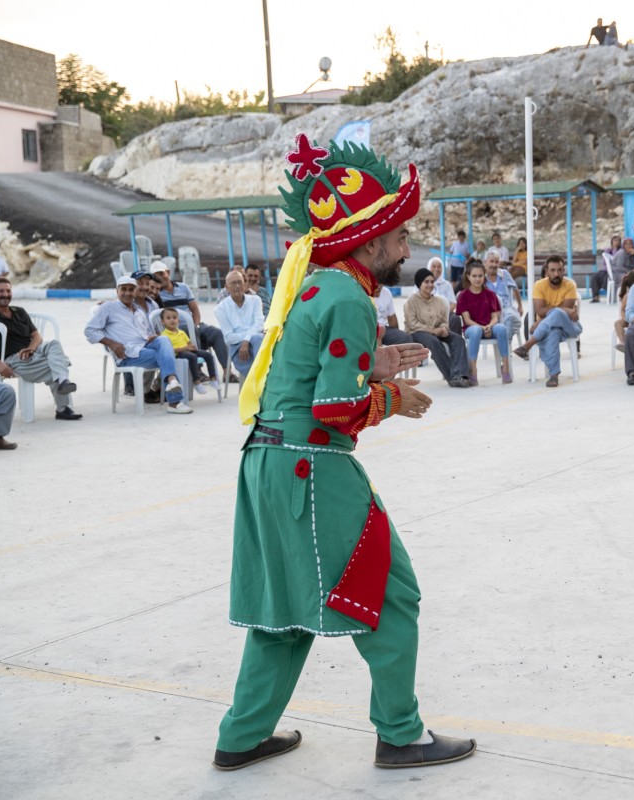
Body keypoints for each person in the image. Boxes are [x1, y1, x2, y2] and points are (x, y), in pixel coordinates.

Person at [214, 134, 475, 772]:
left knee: (283, 610)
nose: (407, 248)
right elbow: (336, 411)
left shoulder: (318, 287)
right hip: (313, 467)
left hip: (267, 462)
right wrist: (393, 398)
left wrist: (375, 363)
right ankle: (400, 735)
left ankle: (242, 736)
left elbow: (302, 379)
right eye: (399, 234)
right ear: (368, 238)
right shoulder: (347, 296)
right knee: (391, 592)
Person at [0, 276, 82, 420]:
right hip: (14, 359)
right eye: (1, 291)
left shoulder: (20, 311)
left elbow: (37, 337)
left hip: (34, 352)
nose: (6, 294)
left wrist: (30, 348)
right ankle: (63, 404)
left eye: (8, 291)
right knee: (56, 365)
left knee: (54, 343)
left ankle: (62, 380)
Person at [85, 276, 191, 414]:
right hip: (127, 354)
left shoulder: (139, 311)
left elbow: (146, 334)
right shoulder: (108, 308)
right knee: (166, 355)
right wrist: (111, 343)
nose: (127, 293)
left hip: (144, 347)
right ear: (117, 290)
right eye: (123, 289)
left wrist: (151, 338)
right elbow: (89, 331)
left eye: (131, 289)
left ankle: (171, 381)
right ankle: (174, 401)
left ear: (135, 291)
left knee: (164, 340)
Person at [152, 261, 230, 381]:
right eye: (156, 275)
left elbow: (194, 309)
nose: (160, 277)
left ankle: (227, 371)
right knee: (190, 329)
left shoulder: (183, 287)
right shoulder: (157, 294)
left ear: (168, 272)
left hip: (193, 324)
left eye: (161, 273)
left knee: (216, 333)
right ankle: (198, 371)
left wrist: (196, 324)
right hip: (174, 330)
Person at [513, 256, 580, 388]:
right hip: (550, 329)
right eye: (553, 270)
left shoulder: (570, 285)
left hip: (569, 327)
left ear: (563, 271)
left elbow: (563, 314)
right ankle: (554, 375)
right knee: (553, 332)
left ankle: (529, 344)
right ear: (547, 271)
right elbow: (540, 310)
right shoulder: (539, 285)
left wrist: (540, 322)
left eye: (559, 270)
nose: (556, 274)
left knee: (558, 313)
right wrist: (559, 310)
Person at [404, 267, 471, 387]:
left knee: (458, 339)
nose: (430, 285)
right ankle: (452, 377)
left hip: (437, 331)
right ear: (419, 284)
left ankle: (461, 374)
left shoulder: (438, 301)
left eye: (432, 281)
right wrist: (433, 330)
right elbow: (412, 324)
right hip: (416, 332)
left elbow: (443, 320)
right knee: (434, 342)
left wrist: (444, 328)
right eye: (426, 282)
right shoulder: (411, 301)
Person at [456, 262, 512, 385]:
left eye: (480, 276)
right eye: (474, 276)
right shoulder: (463, 296)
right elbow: (467, 320)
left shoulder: (490, 294)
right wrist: (482, 327)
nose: (477, 279)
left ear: (484, 276)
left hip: (489, 326)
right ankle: (473, 369)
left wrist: (489, 326)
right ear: (468, 276)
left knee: (501, 328)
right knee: (476, 331)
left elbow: (495, 317)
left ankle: (506, 366)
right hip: (472, 329)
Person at [215, 271, 266, 378]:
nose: (237, 286)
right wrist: (246, 341)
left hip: (258, 342)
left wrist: (247, 340)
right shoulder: (220, 309)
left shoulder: (256, 300)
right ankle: (262, 375)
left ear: (245, 284)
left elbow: (259, 324)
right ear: (227, 287)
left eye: (239, 282)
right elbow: (229, 337)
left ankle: (259, 376)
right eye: (233, 283)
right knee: (258, 338)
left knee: (258, 338)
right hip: (238, 348)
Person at [160, 306, 219, 394]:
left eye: (174, 318)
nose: (172, 320)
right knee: (192, 356)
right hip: (177, 354)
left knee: (208, 355)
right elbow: (169, 350)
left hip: (187, 350)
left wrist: (192, 346)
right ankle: (196, 381)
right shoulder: (164, 335)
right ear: (163, 322)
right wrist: (185, 348)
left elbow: (188, 343)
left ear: (178, 320)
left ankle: (213, 378)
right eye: (168, 318)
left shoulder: (181, 332)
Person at [483, 251, 523, 343]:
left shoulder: (504, 274)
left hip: (506, 308)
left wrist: (520, 306)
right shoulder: (481, 277)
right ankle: (505, 350)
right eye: (491, 261)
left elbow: (515, 289)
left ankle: (505, 347)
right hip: (490, 311)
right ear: (485, 262)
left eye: (496, 262)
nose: (494, 264)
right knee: (502, 322)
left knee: (509, 318)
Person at [373, 279, 414, 347]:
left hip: (384, 329)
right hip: (369, 330)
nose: (379, 286)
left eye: (381, 283)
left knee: (406, 338)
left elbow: (392, 318)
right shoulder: (362, 293)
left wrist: (397, 333)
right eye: (376, 283)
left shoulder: (386, 292)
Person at [613, 269, 634, 351]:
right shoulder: (627, 296)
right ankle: (624, 343)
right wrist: (625, 318)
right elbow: (622, 310)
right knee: (617, 323)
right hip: (629, 319)